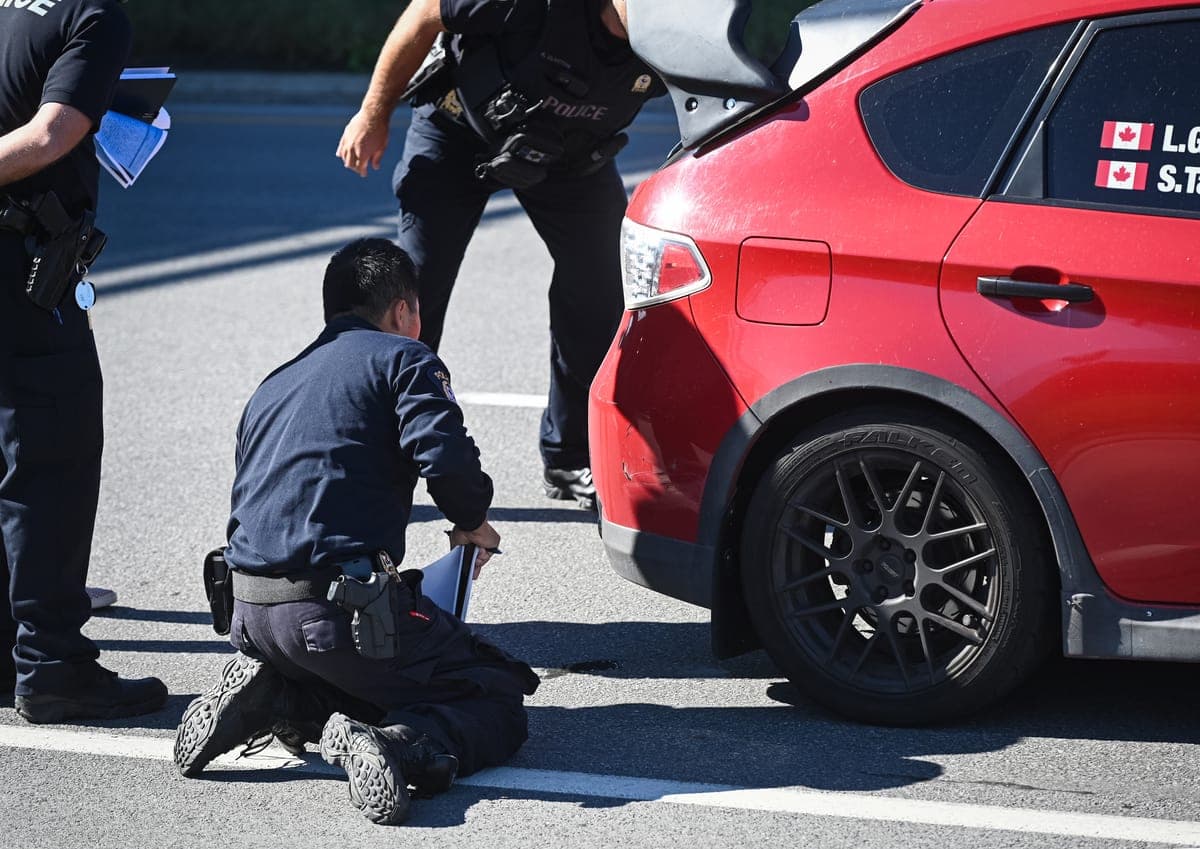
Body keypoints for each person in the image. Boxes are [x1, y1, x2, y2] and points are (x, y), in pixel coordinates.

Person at [174, 238, 540, 827]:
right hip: (331, 616)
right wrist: (472, 523)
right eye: (418, 310)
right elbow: (445, 458)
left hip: (249, 610)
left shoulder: (274, 382)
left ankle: (279, 697)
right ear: (402, 311)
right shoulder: (404, 358)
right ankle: (400, 743)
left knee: (363, 668)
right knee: (492, 688)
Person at [336, 0, 664, 511]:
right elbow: (424, 13)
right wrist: (374, 112)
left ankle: (569, 456)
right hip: (458, 131)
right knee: (412, 295)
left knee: (600, 287)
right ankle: (375, 460)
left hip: (568, 157)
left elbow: (724, 94)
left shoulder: (675, 32)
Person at [0, 0, 168, 720]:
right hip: (23, 262)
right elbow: (51, 132)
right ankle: (53, 666)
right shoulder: (93, 15)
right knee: (54, 458)